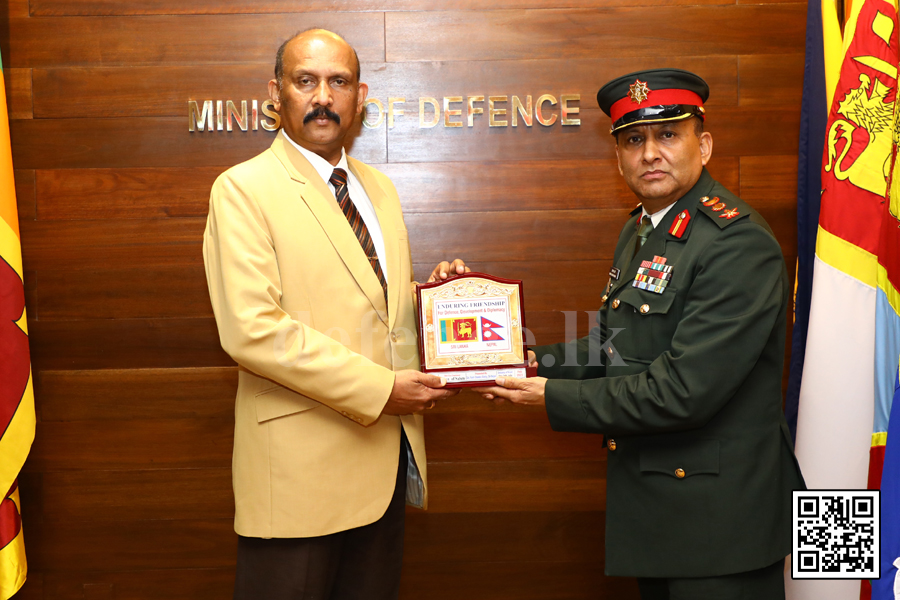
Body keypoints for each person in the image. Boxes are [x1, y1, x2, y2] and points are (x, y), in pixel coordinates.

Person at [476, 69, 805, 599]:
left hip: (720, 529)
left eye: (668, 135)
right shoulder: (641, 231)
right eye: (634, 140)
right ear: (618, 157)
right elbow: (613, 344)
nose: (650, 152)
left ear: (706, 145)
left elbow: (683, 392)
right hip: (660, 514)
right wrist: (528, 361)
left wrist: (551, 396)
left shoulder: (735, 243)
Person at [202, 29, 467, 600]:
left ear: (360, 95)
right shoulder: (243, 190)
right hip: (300, 478)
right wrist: (381, 390)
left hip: (386, 467)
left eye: (338, 82)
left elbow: (376, 311)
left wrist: (439, 305)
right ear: (276, 93)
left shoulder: (378, 187)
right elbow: (254, 331)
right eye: (306, 81)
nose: (322, 96)